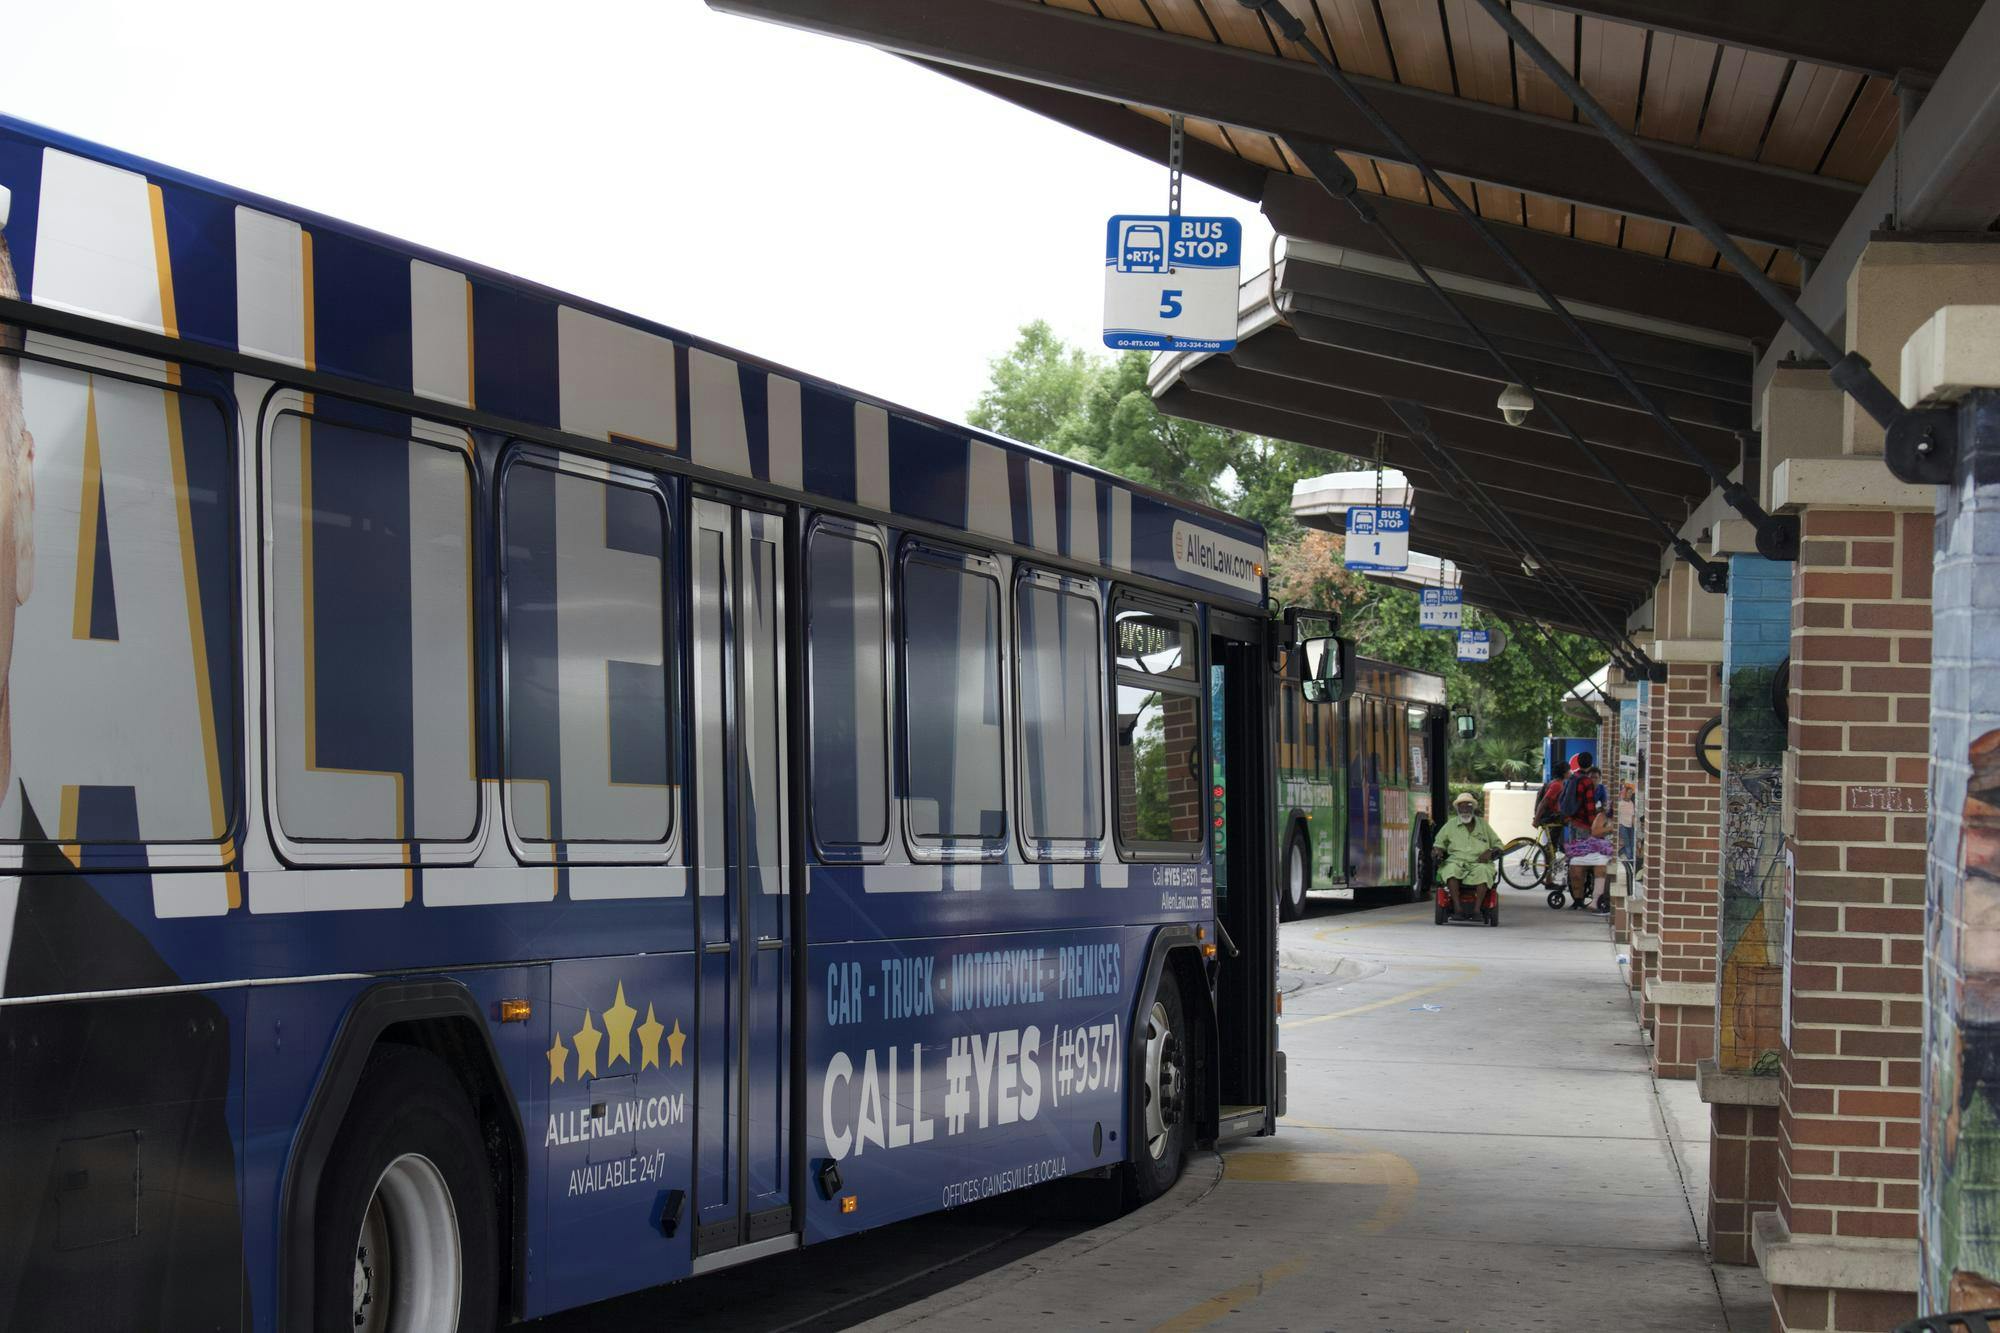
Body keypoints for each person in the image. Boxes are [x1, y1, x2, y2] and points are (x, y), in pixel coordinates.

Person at [1433, 790, 1502, 921]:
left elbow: (1498, 844)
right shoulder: (1451, 825)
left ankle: (1477, 910)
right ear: (1458, 808)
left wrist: (1491, 851)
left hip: (1478, 863)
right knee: (1451, 869)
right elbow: (1438, 843)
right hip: (1456, 861)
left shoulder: (1483, 825)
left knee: (1483, 871)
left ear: (1473, 808)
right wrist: (1438, 851)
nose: (1465, 809)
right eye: (1462, 806)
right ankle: (1458, 908)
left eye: (1468, 805)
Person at [1562, 755, 1616, 911]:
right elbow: (1590, 807)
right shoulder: (1585, 784)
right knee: (1580, 860)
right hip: (1584, 827)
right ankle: (1586, 896)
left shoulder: (1574, 778)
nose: (1594, 780)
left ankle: (1580, 899)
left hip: (1576, 824)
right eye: (1593, 776)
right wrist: (1597, 820)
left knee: (1577, 859)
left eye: (1596, 777)